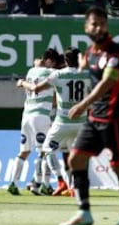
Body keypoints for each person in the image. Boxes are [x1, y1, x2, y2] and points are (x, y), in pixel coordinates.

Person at [59, 6, 119, 225]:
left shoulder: (116, 52)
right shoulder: (89, 53)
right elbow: (84, 67)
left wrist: (82, 104)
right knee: (75, 160)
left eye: (102, 23)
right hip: (95, 118)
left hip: (116, 117)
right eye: (94, 24)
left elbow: (107, 82)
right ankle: (84, 212)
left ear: (107, 26)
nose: (98, 27)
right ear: (86, 27)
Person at [18, 47, 92, 196]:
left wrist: (22, 83)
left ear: (65, 61)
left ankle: (63, 180)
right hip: (82, 123)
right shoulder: (87, 75)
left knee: (46, 151)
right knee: (77, 154)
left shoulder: (58, 75)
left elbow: (36, 88)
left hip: (62, 123)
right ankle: (74, 187)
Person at [7, 48, 61, 196]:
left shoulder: (31, 71)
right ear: (49, 61)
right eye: (54, 63)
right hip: (41, 116)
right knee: (44, 151)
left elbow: (37, 64)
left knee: (24, 151)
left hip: (26, 115)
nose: (54, 66)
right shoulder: (51, 74)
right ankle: (45, 184)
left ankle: (13, 183)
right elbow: (55, 99)